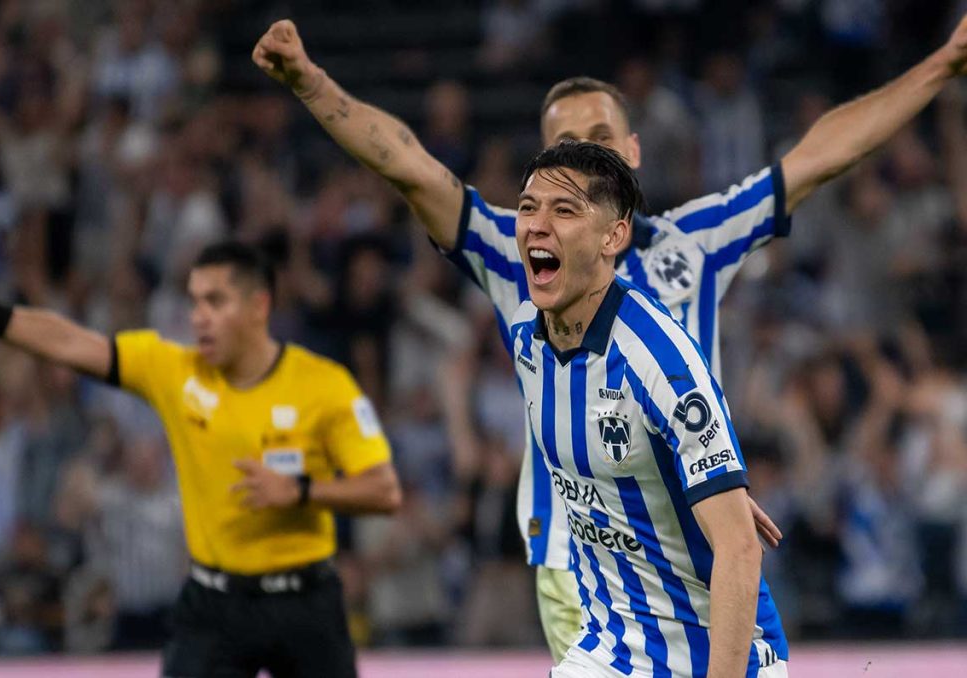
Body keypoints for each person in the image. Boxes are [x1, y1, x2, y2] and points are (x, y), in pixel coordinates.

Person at [251, 13, 967, 661]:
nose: (585, 156)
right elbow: (407, 165)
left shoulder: (697, 242)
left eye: (599, 140)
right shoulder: (513, 246)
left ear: (631, 150)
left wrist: (941, 64)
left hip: (693, 533)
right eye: (564, 147)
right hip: (578, 556)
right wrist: (312, 84)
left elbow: (820, 154)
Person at [0, 240, 401, 677]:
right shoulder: (175, 372)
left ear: (259, 306)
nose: (199, 318)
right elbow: (70, 343)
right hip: (215, 601)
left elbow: (384, 491)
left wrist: (300, 491)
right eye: (195, 302)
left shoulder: (324, 385)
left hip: (306, 601)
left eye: (215, 302)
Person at [517, 139, 786, 675]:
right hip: (608, 651)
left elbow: (738, 549)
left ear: (614, 236)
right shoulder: (531, 343)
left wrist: (716, 496)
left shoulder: (661, 363)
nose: (536, 225)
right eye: (528, 207)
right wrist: (684, 485)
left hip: (716, 655)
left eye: (564, 210)